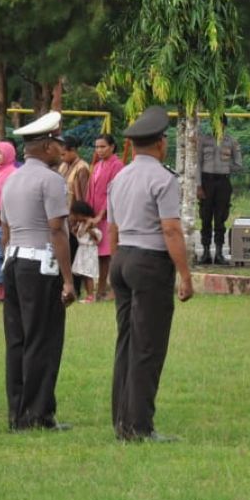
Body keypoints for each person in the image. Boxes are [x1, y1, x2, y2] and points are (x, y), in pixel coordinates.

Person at [107, 106, 194, 442]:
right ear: (161, 143)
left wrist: (117, 265)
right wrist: (184, 275)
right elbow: (171, 229)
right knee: (148, 345)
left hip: (124, 257)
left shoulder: (120, 177)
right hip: (150, 261)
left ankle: (121, 420)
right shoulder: (163, 178)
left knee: (126, 342)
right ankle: (140, 426)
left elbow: (113, 228)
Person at [0, 112, 75, 431]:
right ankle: (38, 414)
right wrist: (69, 279)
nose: (61, 149)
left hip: (14, 260)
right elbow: (57, 230)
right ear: (45, 146)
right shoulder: (52, 180)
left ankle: (18, 412)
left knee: (17, 340)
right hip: (40, 263)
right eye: (57, 143)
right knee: (42, 339)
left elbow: (5, 228)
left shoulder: (11, 179)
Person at [196, 114, 242, 265]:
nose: (218, 126)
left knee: (220, 219)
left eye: (220, 123)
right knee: (206, 218)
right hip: (207, 182)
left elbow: (238, 164)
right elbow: (197, 163)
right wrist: (198, 185)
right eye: (215, 123)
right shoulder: (204, 140)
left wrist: (225, 168)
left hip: (223, 182)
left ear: (225, 125)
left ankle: (220, 253)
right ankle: (206, 252)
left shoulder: (232, 142)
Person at [88, 133, 124, 300]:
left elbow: (113, 193)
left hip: (109, 217)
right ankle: (100, 290)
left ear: (112, 147)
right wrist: (89, 215)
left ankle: (114, 289)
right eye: (97, 147)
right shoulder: (97, 165)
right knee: (101, 256)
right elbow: (91, 191)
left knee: (111, 254)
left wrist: (101, 214)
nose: (99, 150)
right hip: (95, 217)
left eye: (102, 146)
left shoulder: (117, 165)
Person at [58, 136, 91, 294]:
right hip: (61, 216)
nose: (61, 157)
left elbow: (83, 196)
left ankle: (75, 289)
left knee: (73, 253)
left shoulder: (82, 168)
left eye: (64, 154)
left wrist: (79, 220)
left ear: (73, 151)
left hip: (74, 218)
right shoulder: (63, 166)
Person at [70, 200, 102, 301]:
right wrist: (75, 231)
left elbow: (97, 237)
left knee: (89, 274)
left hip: (89, 251)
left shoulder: (91, 222)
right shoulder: (81, 224)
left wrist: (89, 229)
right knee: (83, 273)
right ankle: (88, 295)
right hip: (82, 250)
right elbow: (80, 235)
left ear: (80, 214)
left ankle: (91, 295)